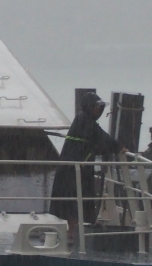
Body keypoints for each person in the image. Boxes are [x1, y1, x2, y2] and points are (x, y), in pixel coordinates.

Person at [49, 91, 126, 228]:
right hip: (73, 169)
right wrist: (118, 147)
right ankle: (73, 231)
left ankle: (74, 229)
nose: (98, 110)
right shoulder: (84, 120)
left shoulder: (83, 120)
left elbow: (95, 142)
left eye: (100, 107)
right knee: (73, 200)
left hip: (77, 167)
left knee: (76, 199)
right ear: (89, 107)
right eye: (96, 107)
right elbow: (101, 137)